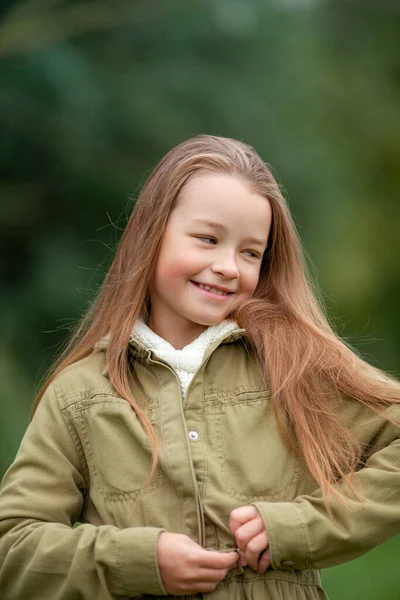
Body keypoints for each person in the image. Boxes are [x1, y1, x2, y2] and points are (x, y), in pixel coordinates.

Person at [0, 135, 399, 600]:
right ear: (152, 235)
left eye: (250, 252)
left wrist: (302, 527)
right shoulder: (79, 393)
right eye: (208, 239)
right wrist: (138, 562)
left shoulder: (294, 365)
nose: (228, 266)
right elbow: (14, 547)